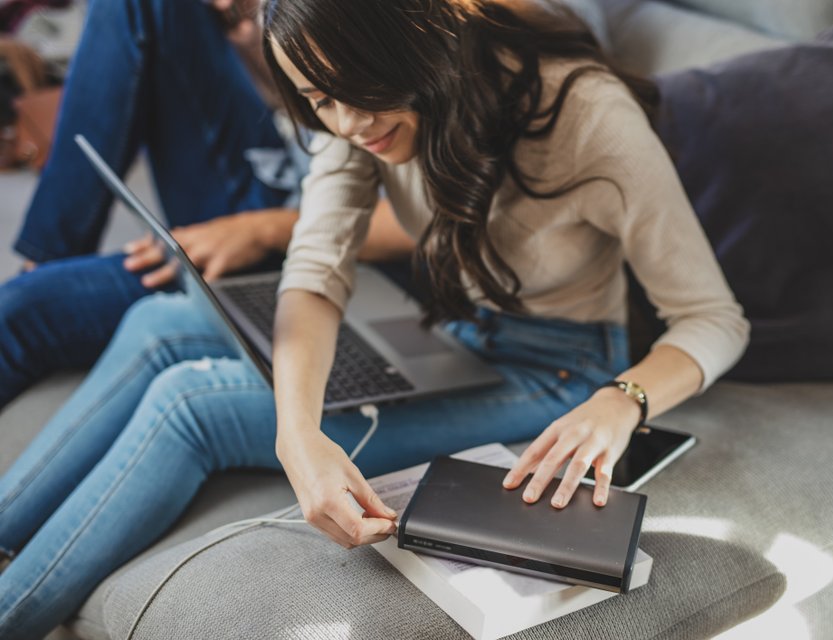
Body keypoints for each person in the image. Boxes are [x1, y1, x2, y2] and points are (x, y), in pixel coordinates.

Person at [0, 0, 749, 636]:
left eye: (354, 91)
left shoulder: (585, 114)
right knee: (160, 323)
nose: (348, 122)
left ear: (417, 34)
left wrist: (623, 401)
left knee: (192, 404)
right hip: (448, 327)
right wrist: (300, 436)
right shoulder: (352, 104)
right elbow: (316, 269)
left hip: (558, 365)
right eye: (319, 100)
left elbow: (713, 318)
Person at [0, 0, 298, 410]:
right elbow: (299, 100)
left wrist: (262, 228)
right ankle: (49, 257)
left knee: (20, 311)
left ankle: (46, 272)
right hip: (290, 167)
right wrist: (256, 28)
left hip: (296, 232)